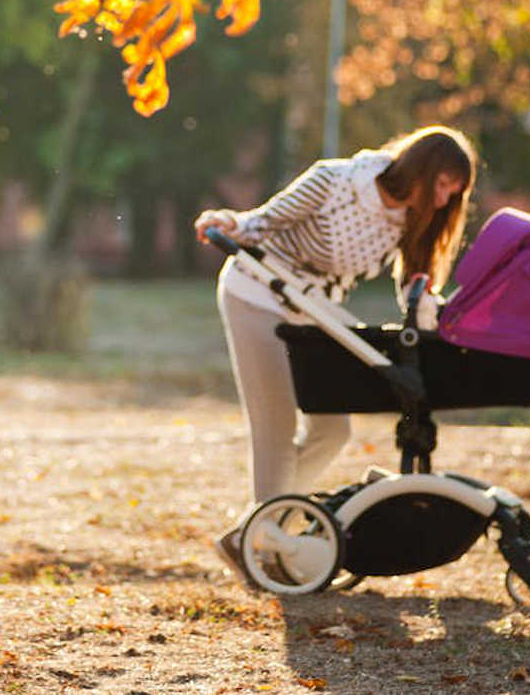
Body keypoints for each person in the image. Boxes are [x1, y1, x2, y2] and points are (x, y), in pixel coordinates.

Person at [192, 125, 477, 584]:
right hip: (257, 293)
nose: (444, 200)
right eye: (443, 185)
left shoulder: (412, 218)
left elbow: (415, 287)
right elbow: (263, 221)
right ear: (422, 169)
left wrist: (436, 320)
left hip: (315, 310)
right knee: (277, 427)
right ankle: (263, 549)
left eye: (454, 193)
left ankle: (253, 532)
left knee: (332, 428)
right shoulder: (337, 181)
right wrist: (226, 222)